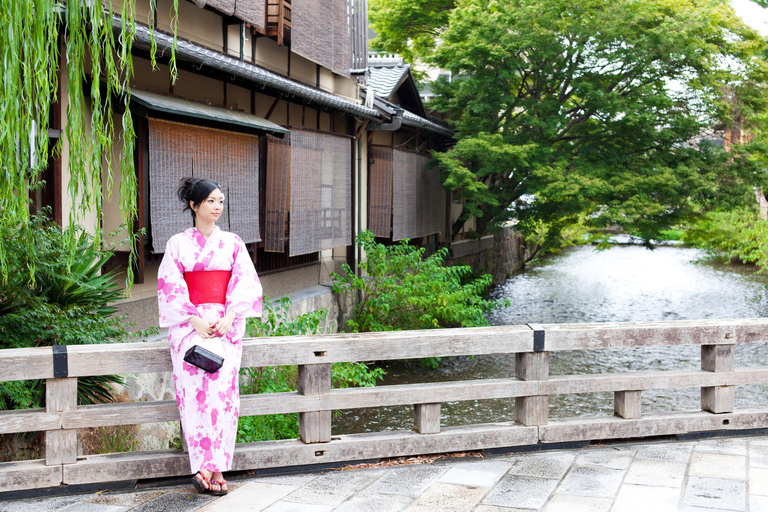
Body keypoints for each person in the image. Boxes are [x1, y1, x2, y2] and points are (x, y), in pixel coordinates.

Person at [157, 177, 263, 496]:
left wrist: (231, 315)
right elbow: (169, 286)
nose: (217, 207)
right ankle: (202, 465)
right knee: (193, 397)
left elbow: (246, 283)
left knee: (223, 398)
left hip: (224, 327)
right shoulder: (178, 244)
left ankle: (217, 466)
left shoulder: (232, 243)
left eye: (221, 201)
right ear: (194, 205)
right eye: (211, 201)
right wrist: (192, 318)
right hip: (190, 328)